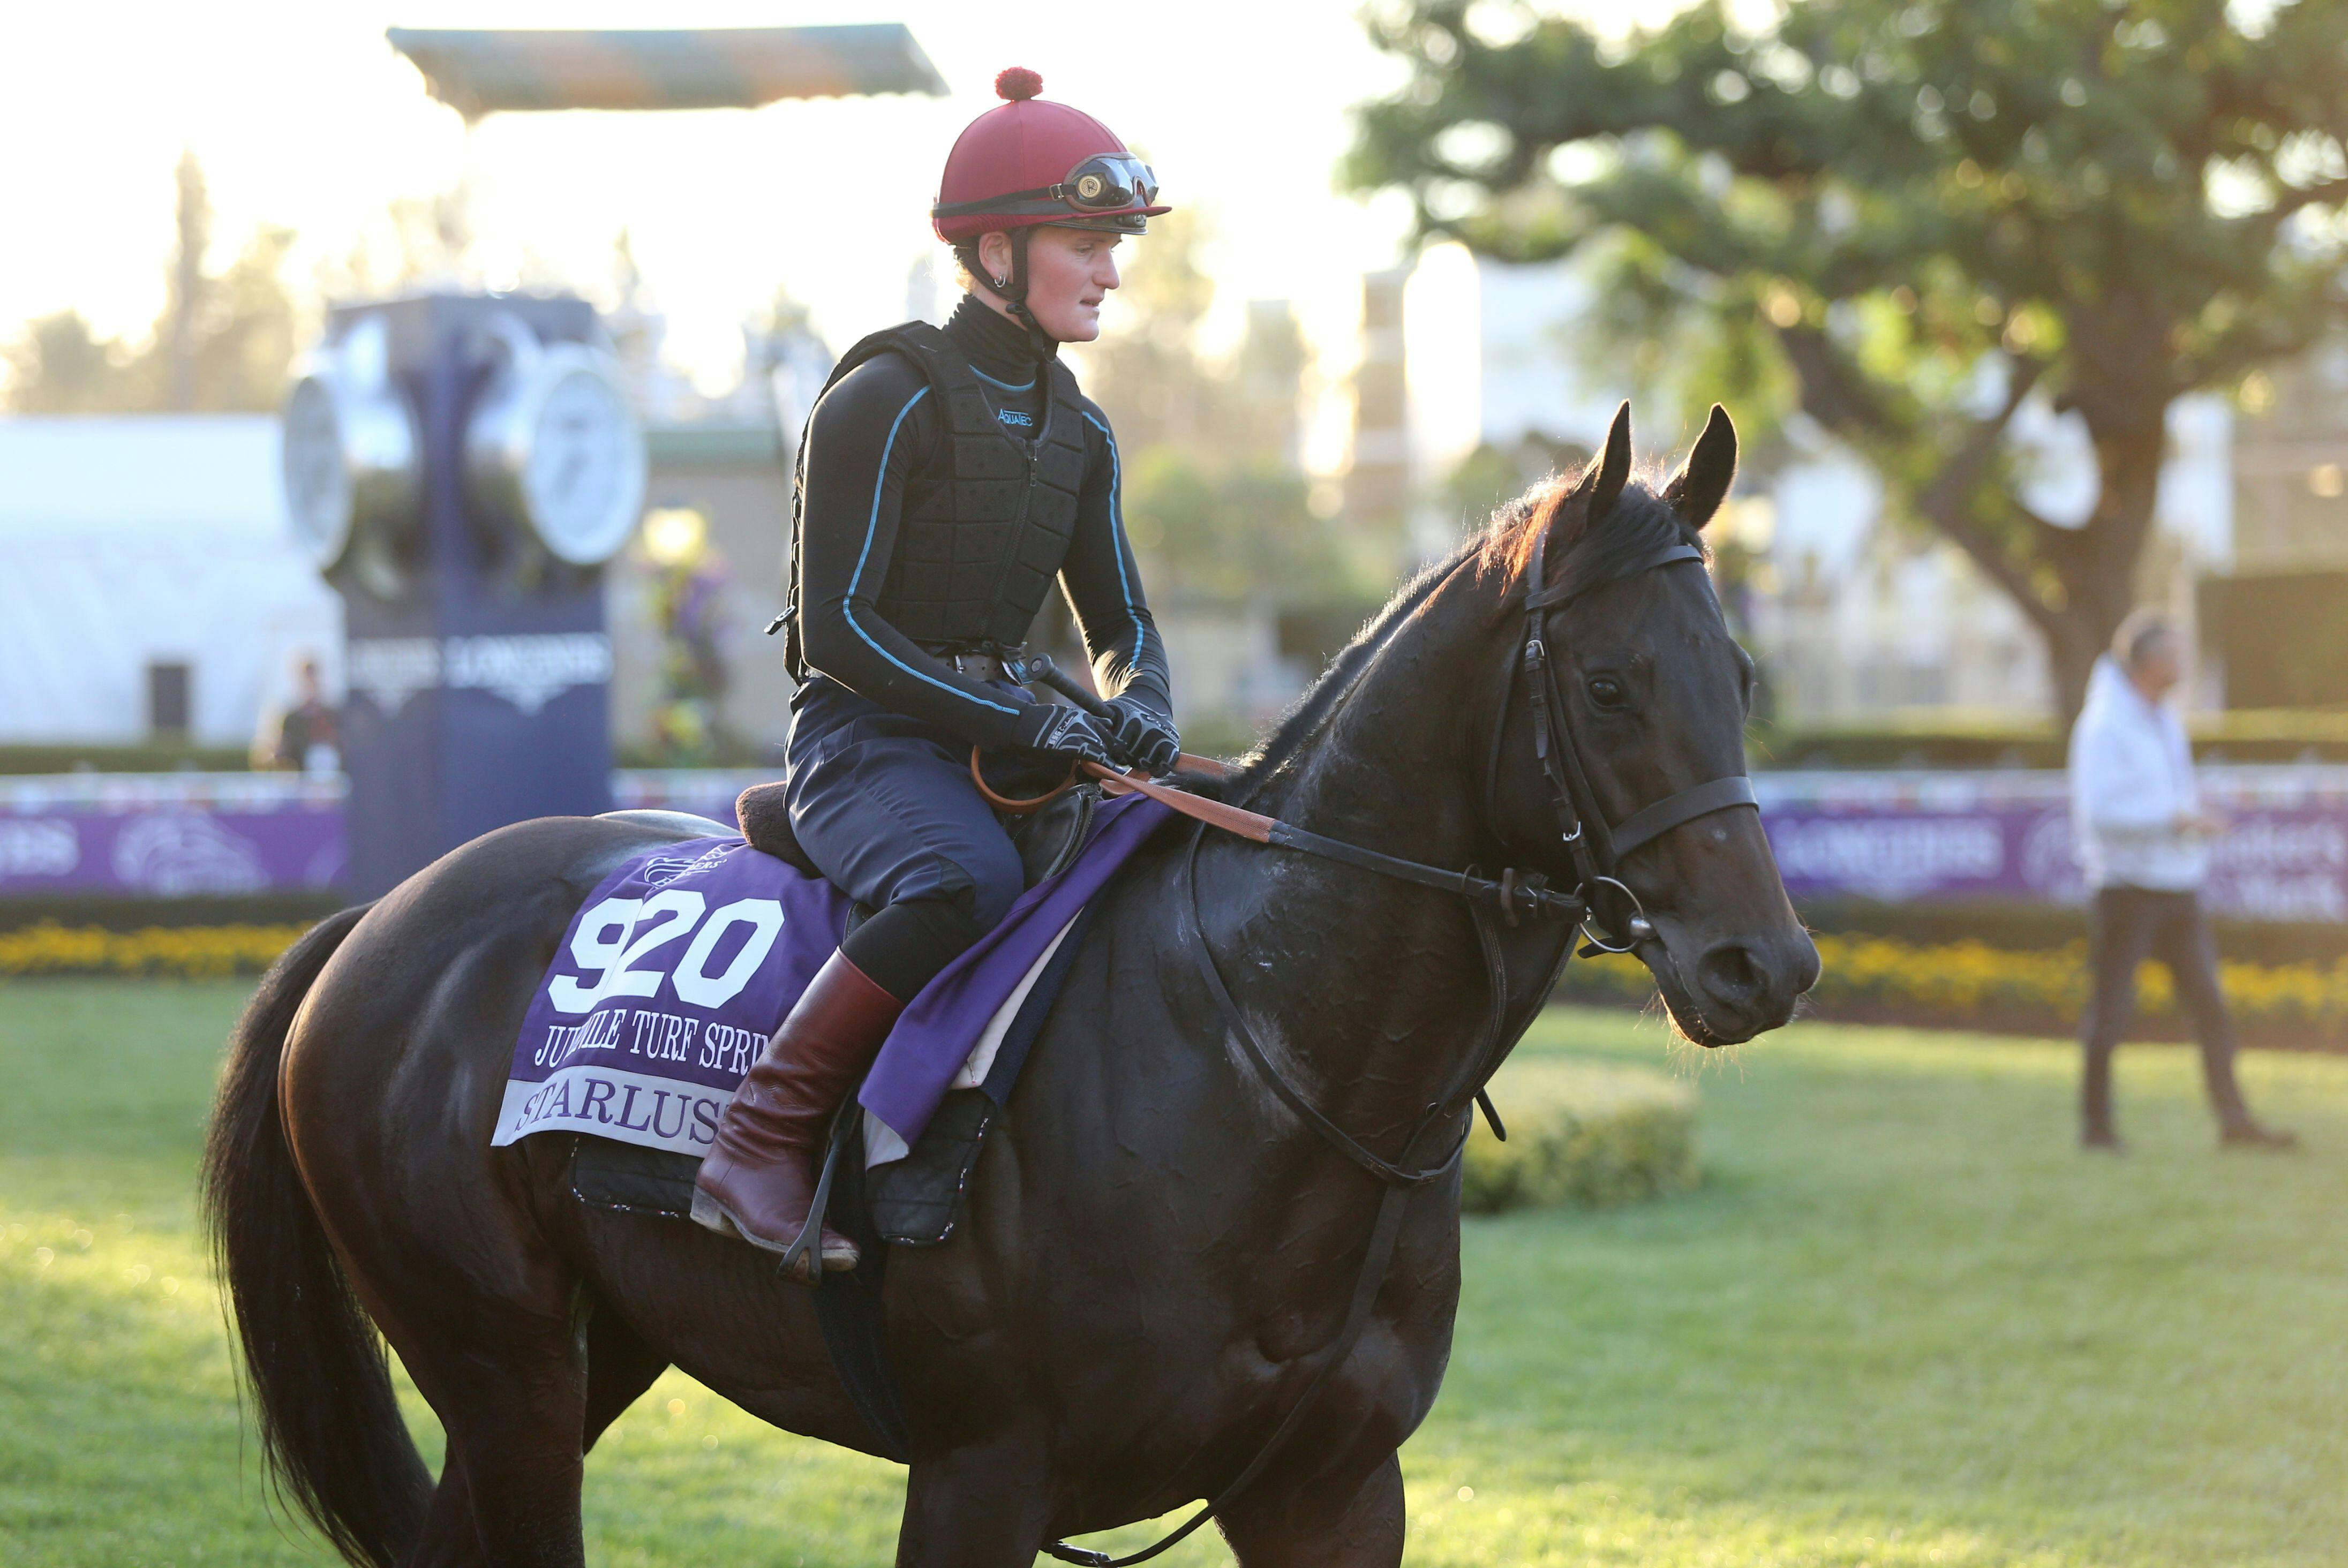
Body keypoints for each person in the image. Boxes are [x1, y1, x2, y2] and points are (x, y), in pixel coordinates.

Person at [694, 67, 1183, 1276]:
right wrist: (1020, 719)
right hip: (863, 747)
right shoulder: (881, 396)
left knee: (1144, 863)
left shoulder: (1083, 432)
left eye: (1114, 243)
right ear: (998, 248)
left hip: (1005, 741)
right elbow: (837, 634)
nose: (1111, 271)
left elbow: (1117, 619)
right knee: (962, 875)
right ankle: (756, 1140)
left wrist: (1140, 709)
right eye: (1086, 242)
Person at [2068, 610, 2294, 1152]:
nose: (2183, 664)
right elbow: (2098, 813)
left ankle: (2234, 1123)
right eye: (2174, 654)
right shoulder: (2103, 724)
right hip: (2126, 891)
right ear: (2148, 663)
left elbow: (2167, 795)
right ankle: (2096, 1129)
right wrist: (2175, 819)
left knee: (2210, 1009)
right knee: (2112, 1013)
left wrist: (2189, 814)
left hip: (2177, 887)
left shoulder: (2163, 718)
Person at [252, 655, 338, 774]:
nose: (311, 683)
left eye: (314, 677)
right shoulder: (291, 718)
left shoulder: (332, 716)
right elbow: (275, 754)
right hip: (302, 783)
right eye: (307, 678)